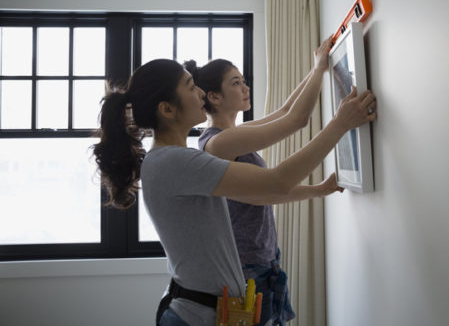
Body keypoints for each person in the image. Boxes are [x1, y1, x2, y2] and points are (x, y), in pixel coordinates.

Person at [92, 58, 377, 326]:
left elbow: (268, 184)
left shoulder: (171, 159)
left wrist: (318, 188)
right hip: (198, 315)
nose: (201, 93)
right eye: (191, 87)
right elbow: (277, 181)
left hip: (204, 309)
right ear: (167, 109)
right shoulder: (176, 161)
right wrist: (340, 124)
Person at [183, 36, 343, 325]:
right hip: (246, 268)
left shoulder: (231, 135)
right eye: (235, 83)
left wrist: (319, 190)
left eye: (243, 80)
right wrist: (320, 69)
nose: (245, 87)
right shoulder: (217, 144)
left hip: (263, 260)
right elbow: (297, 120)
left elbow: (284, 113)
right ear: (214, 97)